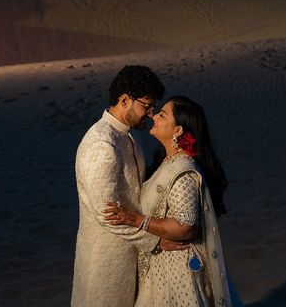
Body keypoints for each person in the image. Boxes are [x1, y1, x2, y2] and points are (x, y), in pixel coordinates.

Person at [104, 96, 243, 307]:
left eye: (162, 115)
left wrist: (134, 219)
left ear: (178, 130)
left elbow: (185, 227)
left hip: (178, 271)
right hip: (162, 264)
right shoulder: (167, 162)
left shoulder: (183, 171)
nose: (154, 116)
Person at [72, 65, 188, 307]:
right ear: (125, 100)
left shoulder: (129, 137)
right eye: (146, 106)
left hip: (132, 257)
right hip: (105, 263)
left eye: (153, 107)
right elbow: (107, 216)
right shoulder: (101, 145)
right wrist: (155, 241)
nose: (150, 113)